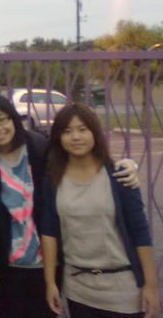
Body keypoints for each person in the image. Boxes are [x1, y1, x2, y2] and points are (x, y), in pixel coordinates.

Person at [0, 94, 142, 318]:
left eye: (2, 119)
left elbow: (81, 159)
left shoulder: (39, 148)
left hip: (49, 262)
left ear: (14, 119)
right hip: (8, 266)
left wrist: (126, 164)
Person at [41, 103, 160, 318]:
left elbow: (140, 232)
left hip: (122, 289)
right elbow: (49, 232)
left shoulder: (119, 175)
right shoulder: (53, 180)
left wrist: (151, 285)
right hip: (78, 288)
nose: (75, 137)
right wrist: (50, 283)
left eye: (82, 129)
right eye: (67, 131)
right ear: (59, 137)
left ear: (95, 133)